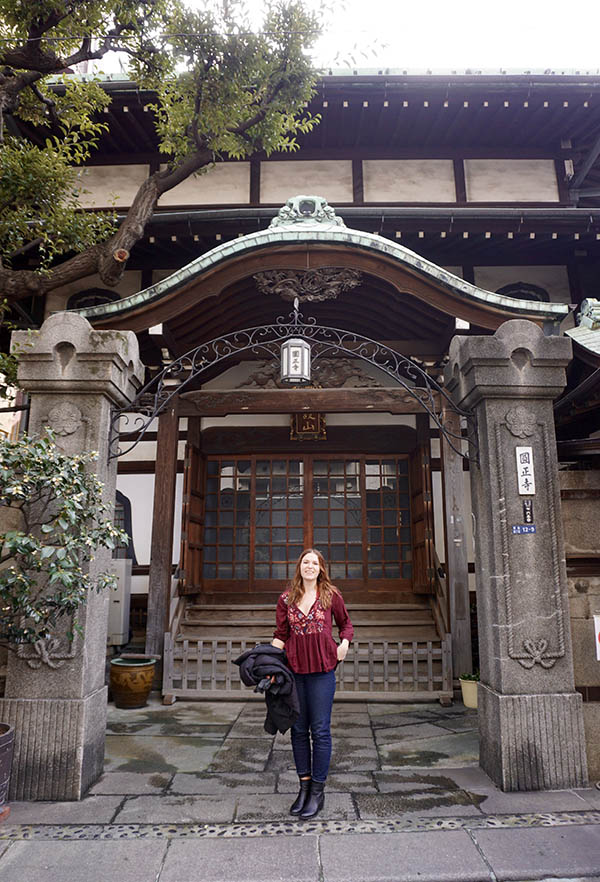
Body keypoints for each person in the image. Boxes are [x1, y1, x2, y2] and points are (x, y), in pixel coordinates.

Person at [272, 548, 354, 820]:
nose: (309, 566)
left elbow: (346, 625)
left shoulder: (331, 595)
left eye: (314, 563)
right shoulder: (286, 598)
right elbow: (281, 635)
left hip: (322, 672)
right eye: (305, 562)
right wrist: (270, 664)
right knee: (297, 731)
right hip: (295, 672)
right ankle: (303, 788)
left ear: (321, 568)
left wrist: (343, 644)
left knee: (319, 731)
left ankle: (318, 791)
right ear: (299, 567)